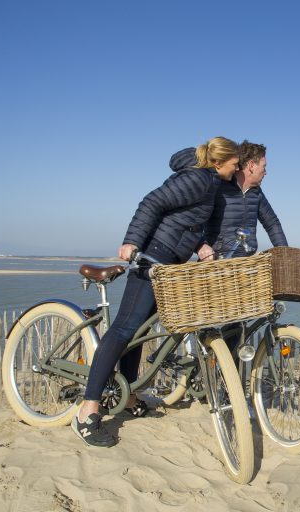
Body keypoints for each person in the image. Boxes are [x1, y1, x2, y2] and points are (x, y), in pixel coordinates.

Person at [72, 136, 240, 447]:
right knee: (124, 328)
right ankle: (87, 410)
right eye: (234, 163)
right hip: (153, 255)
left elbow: (183, 220)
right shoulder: (198, 179)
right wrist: (131, 241)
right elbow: (152, 202)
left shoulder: (209, 181)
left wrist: (200, 245)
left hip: (169, 258)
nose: (236, 168)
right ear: (218, 162)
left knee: (139, 331)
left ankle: (128, 393)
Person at [170, 140, 287, 261]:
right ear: (251, 165)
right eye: (264, 166)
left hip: (246, 263)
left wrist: (285, 254)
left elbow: (272, 224)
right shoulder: (217, 186)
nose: (265, 172)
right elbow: (191, 221)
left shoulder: (256, 192)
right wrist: (200, 245)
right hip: (216, 261)